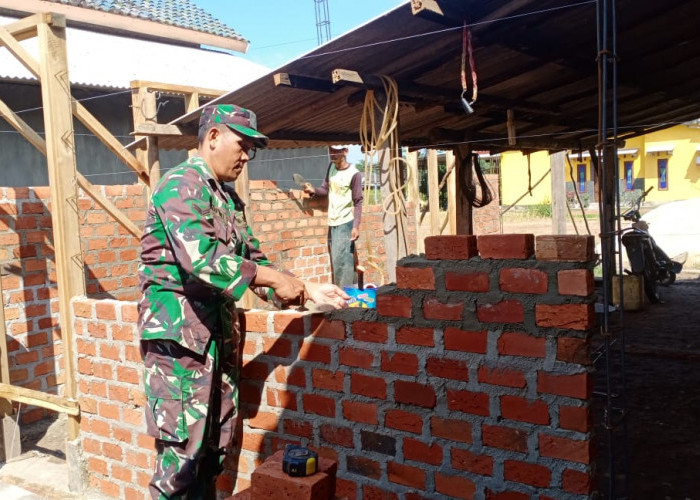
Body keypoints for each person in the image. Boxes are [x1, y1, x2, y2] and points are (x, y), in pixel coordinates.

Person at [137, 104, 349, 499]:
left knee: (213, 451)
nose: (247, 155)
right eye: (242, 143)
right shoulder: (180, 184)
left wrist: (306, 290)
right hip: (180, 348)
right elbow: (203, 259)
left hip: (215, 343)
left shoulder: (227, 198)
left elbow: (251, 260)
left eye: (252, 147)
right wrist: (278, 279)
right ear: (213, 136)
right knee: (180, 465)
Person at [303, 146, 363, 288]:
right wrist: (313, 190)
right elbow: (325, 189)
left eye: (336, 151)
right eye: (331, 150)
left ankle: (344, 299)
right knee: (339, 262)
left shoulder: (354, 174)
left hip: (345, 222)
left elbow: (358, 201)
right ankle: (352, 295)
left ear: (345, 152)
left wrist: (355, 226)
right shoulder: (331, 167)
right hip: (333, 222)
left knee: (343, 263)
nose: (332, 154)